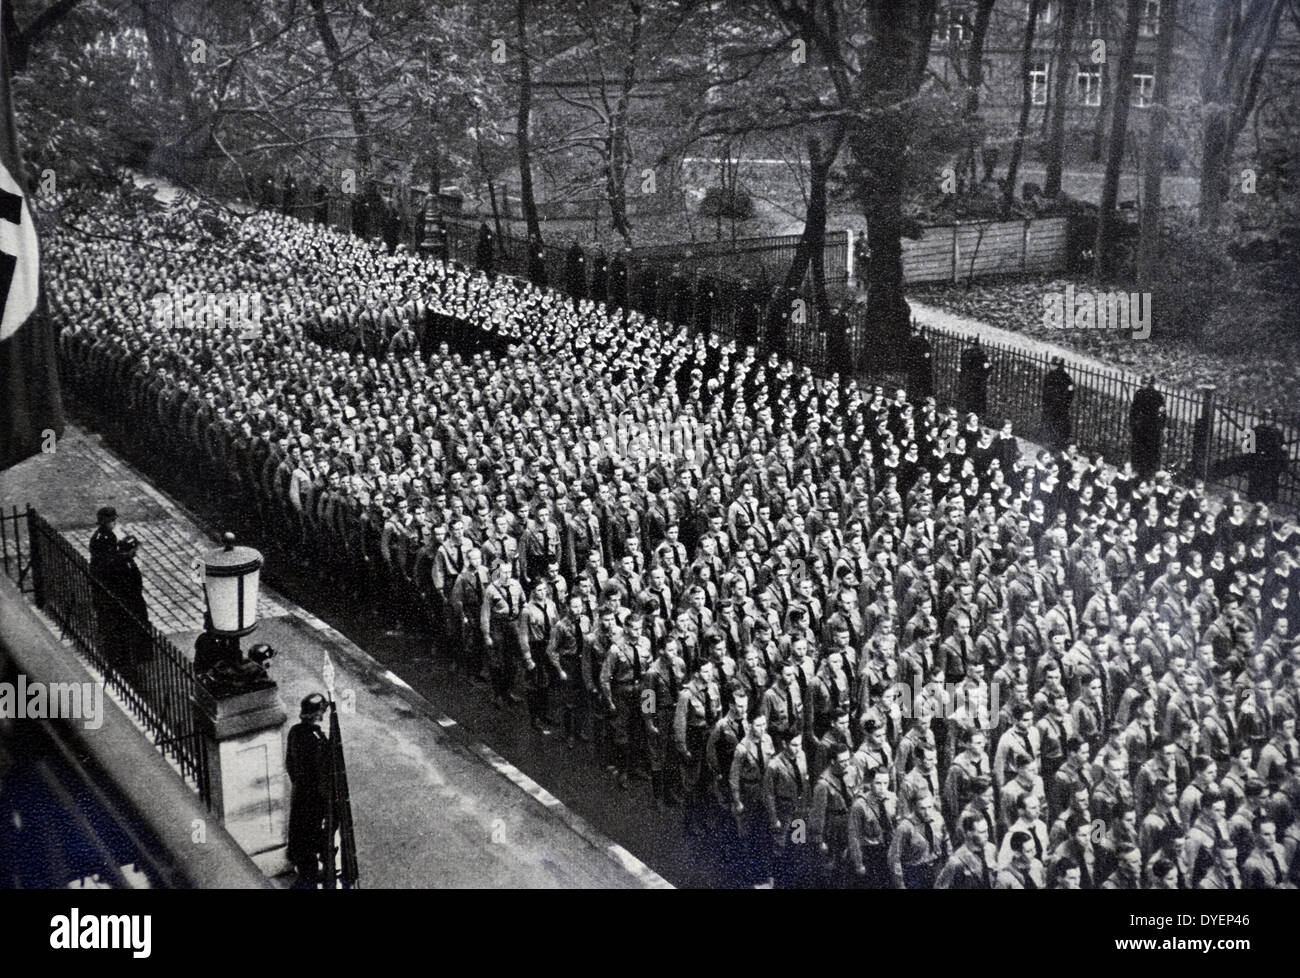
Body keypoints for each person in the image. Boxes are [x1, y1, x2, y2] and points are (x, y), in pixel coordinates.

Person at [286, 692, 332, 887]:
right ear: (317, 714)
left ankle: (306, 869)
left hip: (300, 792)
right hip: (315, 798)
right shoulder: (318, 740)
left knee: (300, 832)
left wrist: (299, 782)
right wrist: (328, 800)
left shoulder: (295, 732)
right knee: (314, 834)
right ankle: (310, 874)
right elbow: (324, 774)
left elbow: (290, 763)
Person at [1129, 375, 1166, 480]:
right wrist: (1133, 424)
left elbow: (1162, 414)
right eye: (1143, 382)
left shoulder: (1158, 397)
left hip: (1152, 431)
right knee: (1138, 452)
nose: (1143, 385)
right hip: (1139, 430)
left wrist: (1160, 428)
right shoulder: (1139, 393)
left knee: (1150, 454)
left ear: (1151, 384)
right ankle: (1138, 473)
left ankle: (1149, 475)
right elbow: (1133, 411)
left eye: (1146, 382)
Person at [1042, 356, 1074, 451]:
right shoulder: (1052, 376)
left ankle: (1057, 445)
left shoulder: (1064, 378)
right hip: (1055, 406)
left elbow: (1070, 392)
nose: (1051, 366)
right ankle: (1054, 444)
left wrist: (1064, 404)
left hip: (1058, 407)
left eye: (1054, 365)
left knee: (1058, 426)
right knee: (1053, 425)